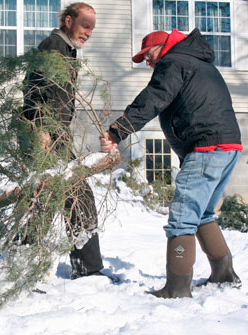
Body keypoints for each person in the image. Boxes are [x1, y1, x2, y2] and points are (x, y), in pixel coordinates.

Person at [100, 28, 242, 298]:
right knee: (202, 215)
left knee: (182, 219)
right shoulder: (198, 62)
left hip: (206, 148)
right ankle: (224, 275)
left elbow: (151, 100)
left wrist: (116, 132)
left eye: (149, 55)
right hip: (228, 147)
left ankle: (176, 288)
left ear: (163, 46)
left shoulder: (173, 62)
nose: (148, 62)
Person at [22, 2, 108, 280]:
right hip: (47, 132)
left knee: (44, 198)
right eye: (85, 26)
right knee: (75, 194)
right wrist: (41, 130)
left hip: (55, 131)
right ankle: (87, 268)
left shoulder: (66, 49)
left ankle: (21, 264)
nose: (89, 33)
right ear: (69, 21)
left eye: (92, 29)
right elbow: (35, 87)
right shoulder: (54, 46)